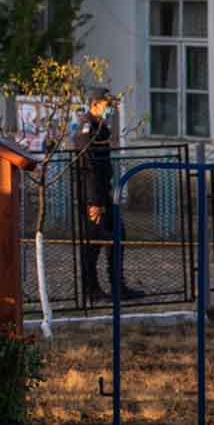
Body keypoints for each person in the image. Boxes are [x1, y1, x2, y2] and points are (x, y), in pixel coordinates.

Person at [71, 92, 133, 303]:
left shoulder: (100, 128)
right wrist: (94, 202)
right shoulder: (86, 130)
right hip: (92, 196)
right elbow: (88, 169)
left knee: (118, 234)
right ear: (94, 105)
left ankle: (118, 286)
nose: (109, 109)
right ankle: (91, 289)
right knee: (93, 242)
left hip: (103, 193)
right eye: (107, 105)